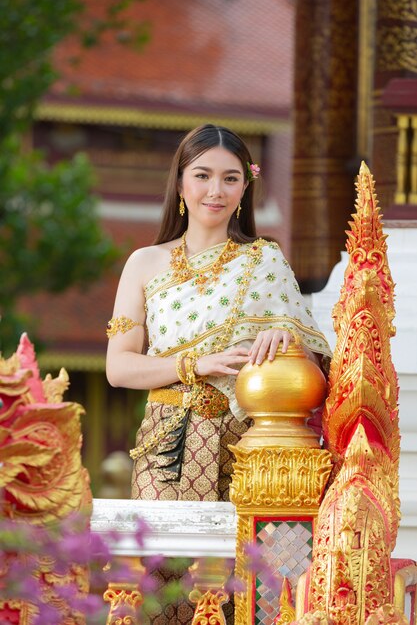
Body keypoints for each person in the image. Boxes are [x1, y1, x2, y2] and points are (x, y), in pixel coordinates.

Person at [106, 124, 331, 622]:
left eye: (230, 179)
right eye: (203, 175)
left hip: (245, 448)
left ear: (245, 187)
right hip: (166, 445)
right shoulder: (145, 263)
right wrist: (194, 365)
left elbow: (313, 371)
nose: (216, 190)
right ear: (181, 183)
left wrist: (289, 346)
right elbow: (118, 367)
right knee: (166, 589)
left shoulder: (264, 260)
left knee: (240, 591)